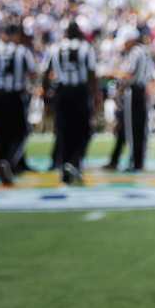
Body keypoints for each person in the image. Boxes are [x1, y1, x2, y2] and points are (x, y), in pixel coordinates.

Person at [42, 21, 97, 185]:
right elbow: (91, 74)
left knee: (64, 131)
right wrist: (95, 97)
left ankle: (65, 170)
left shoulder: (56, 47)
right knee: (85, 130)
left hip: (62, 91)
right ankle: (74, 162)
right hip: (79, 91)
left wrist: (46, 98)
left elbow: (46, 73)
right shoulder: (86, 48)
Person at [0, 23, 36, 186]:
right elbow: (32, 73)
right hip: (15, 94)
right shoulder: (22, 51)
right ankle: (9, 162)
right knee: (21, 132)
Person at [104, 25, 154, 172]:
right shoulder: (144, 51)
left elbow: (128, 74)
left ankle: (135, 162)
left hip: (133, 92)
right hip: (140, 91)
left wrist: (111, 72)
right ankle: (116, 160)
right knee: (126, 128)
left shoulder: (135, 52)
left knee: (132, 129)